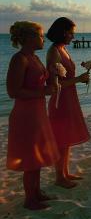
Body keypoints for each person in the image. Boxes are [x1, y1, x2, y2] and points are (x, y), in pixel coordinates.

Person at [6, 21, 59, 210]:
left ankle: (36, 192)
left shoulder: (35, 58)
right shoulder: (19, 59)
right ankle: (30, 199)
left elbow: (41, 85)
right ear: (28, 38)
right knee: (30, 157)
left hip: (38, 112)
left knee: (36, 155)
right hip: (25, 115)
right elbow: (13, 91)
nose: (43, 39)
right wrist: (42, 92)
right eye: (40, 35)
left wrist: (53, 75)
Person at [46, 17, 90, 188]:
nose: (73, 36)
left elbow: (67, 77)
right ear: (64, 32)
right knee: (61, 139)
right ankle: (59, 177)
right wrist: (78, 79)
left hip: (70, 98)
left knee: (67, 138)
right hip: (60, 100)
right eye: (71, 33)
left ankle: (64, 172)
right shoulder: (54, 51)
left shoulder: (63, 49)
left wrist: (80, 78)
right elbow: (54, 84)